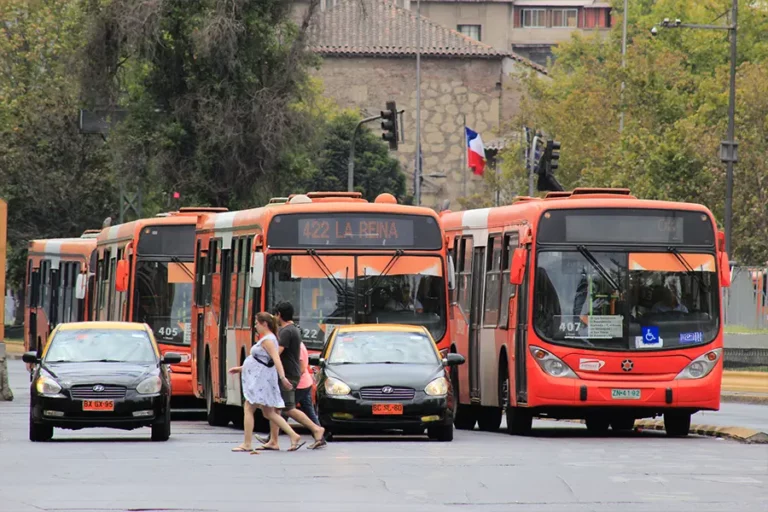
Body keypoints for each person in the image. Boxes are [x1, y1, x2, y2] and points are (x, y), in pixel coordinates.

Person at [227, 312, 305, 453]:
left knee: (249, 408)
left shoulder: (268, 340)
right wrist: (240, 369)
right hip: (262, 377)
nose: (255, 326)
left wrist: (283, 378)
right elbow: (260, 361)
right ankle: (293, 435)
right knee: (269, 412)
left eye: (257, 323)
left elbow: (276, 359)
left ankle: (247, 443)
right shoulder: (269, 339)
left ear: (264, 324)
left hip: (261, 380)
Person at [258, 301, 327, 451]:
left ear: (279, 315)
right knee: (276, 409)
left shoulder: (286, 331)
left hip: (289, 375)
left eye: (275, 315)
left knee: (288, 408)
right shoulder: (292, 329)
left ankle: (316, 429)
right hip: (291, 373)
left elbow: (277, 353)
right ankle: (273, 441)